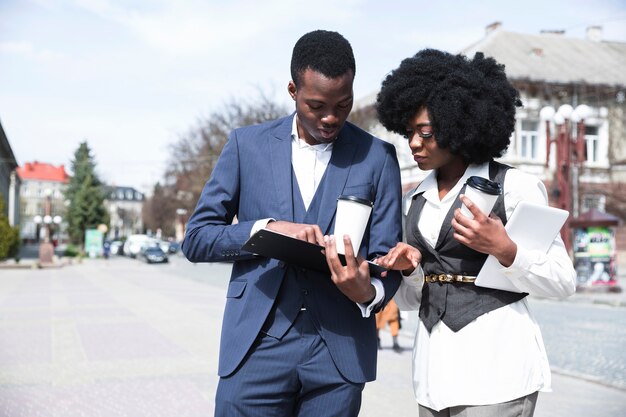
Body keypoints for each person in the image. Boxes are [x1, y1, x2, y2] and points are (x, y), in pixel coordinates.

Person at [181, 30, 403, 416]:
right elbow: (197, 238)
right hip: (256, 345)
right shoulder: (245, 146)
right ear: (292, 90)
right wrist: (264, 229)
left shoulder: (378, 157)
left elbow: (388, 258)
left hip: (339, 353)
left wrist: (368, 293)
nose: (331, 117)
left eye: (343, 104)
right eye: (317, 106)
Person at [373, 49, 576, 417]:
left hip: (498, 374)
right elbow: (407, 301)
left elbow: (562, 282)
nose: (414, 144)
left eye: (426, 133)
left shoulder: (515, 187)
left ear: (458, 124)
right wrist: (409, 270)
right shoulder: (412, 200)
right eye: (409, 133)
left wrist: (506, 249)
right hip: (432, 379)